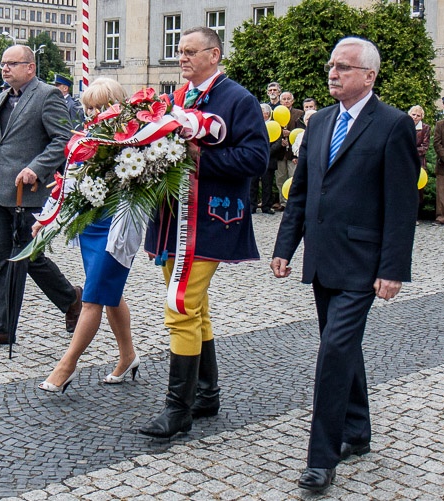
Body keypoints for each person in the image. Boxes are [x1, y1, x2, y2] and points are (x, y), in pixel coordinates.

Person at [271, 37, 419, 493]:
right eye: (331, 65)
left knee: (333, 353)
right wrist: (285, 246)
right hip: (323, 259)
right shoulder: (319, 123)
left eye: (345, 67)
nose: (333, 73)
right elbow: (302, 191)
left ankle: (322, 459)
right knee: (342, 347)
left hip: (363, 263)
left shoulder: (393, 125)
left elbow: (402, 204)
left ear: (369, 76)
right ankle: (357, 431)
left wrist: (392, 268)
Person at [139, 27, 269, 438]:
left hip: (210, 220)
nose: (182, 57)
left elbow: (256, 158)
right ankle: (206, 394)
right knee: (195, 309)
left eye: (191, 51)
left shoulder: (238, 99)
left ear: (214, 55)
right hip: (172, 220)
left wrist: (198, 158)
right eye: (180, 51)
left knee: (180, 307)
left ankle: (177, 408)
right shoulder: (177, 98)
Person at [35, 77, 141, 393]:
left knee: (93, 297)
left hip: (116, 227)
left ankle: (66, 366)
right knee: (109, 293)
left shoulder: (135, 139)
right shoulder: (85, 139)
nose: (94, 113)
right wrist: (46, 218)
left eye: (101, 107)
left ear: (116, 106)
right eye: (89, 108)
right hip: (90, 227)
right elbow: (66, 182)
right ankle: (128, 356)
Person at [0, 44, 82, 350]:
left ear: (30, 67)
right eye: (3, 64)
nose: (5, 69)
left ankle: (69, 300)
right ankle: (5, 326)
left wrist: (36, 168)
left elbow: (63, 140)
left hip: (29, 195)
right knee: (3, 260)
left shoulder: (47, 96)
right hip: (0, 194)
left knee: (26, 257)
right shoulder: (0, 98)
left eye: (12, 63)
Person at [274, 91, 305, 211]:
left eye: (288, 99)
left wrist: (290, 134)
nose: (286, 101)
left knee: (294, 177)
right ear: (280, 101)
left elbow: (301, 131)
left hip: (293, 153)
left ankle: (294, 202)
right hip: (280, 152)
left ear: (292, 101)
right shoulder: (275, 113)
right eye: (284, 99)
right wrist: (280, 139)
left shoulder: (299, 113)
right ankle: (283, 202)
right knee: (280, 178)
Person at [251, 103, 281, 214]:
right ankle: (252, 206)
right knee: (252, 184)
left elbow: (278, 143)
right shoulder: (253, 124)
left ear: (267, 113)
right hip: (254, 159)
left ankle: (266, 206)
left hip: (269, 159)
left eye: (262, 111)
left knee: (267, 185)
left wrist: (266, 152)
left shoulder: (275, 125)